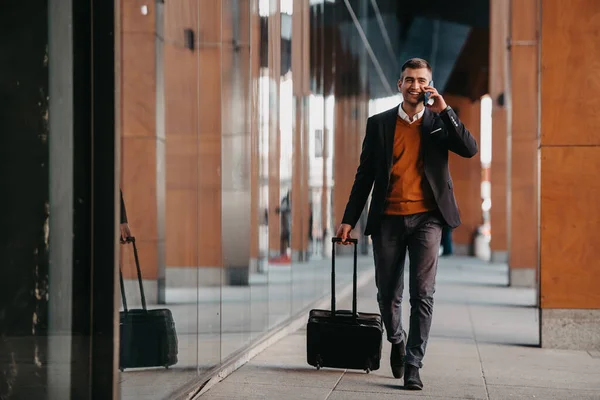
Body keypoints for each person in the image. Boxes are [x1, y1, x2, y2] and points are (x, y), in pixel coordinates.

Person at [335, 58, 477, 390]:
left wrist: (445, 111)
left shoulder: (439, 122)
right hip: (387, 219)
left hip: (428, 219)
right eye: (409, 80)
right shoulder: (379, 123)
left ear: (430, 85)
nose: (415, 86)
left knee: (423, 294)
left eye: (422, 80)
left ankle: (414, 364)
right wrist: (348, 220)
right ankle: (397, 339)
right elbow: (364, 176)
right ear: (399, 84)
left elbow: (469, 149)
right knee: (387, 294)